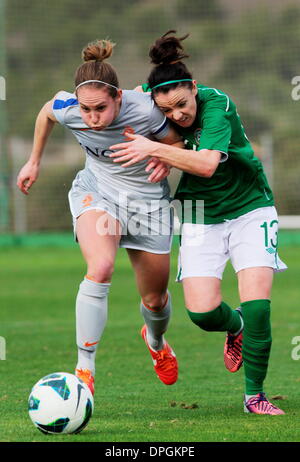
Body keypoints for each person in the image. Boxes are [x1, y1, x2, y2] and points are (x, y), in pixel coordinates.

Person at [109, 31, 288, 415]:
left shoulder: (216, 102)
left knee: (258, 305)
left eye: (181, 105)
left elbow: (206, 164)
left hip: (249, 207)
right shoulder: (148, 95)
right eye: (167, 110)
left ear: (193, 87)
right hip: (197, 214)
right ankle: (234, 327)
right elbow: (112, 102)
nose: (176, 115)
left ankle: (254, 395)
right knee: (203, 313)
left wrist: (156, 148)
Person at [16, 39, 181, 395]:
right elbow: (46, 112)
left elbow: (177, 145)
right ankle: (84, 369)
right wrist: (34, 161)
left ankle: (155, 341)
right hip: (98, 193)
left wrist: (164, 158)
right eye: (85, 109)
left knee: (155, 299)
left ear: (118, 98)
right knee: (101, 267)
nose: (92, 118)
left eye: (101, 109)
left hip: (148, 207)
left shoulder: (145, 111)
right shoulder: (69, 107)